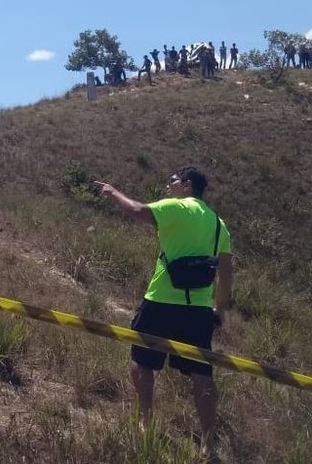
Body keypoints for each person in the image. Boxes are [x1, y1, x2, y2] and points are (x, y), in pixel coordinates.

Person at [94, 167, 233, 455]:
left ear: (187, 185)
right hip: (198, 308)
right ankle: (208, 442)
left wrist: (112, 192)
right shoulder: (219, 225)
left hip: (160, 300)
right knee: (201, 373)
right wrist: (219, 309)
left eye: (172, 181)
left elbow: (138, 210)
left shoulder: (176, 207)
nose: (168, 186)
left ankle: (146, 420)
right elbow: (227, 272)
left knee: (142, 359)